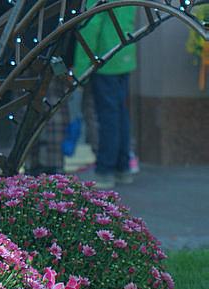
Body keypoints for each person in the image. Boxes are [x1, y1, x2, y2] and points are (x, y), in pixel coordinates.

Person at [72, 0, 138, 189]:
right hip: (123, 55)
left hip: (104, 58)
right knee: (120, 113)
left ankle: (105, 170)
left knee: (108, 116)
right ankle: (122, 167)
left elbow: (91, 27)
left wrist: (81, 73)